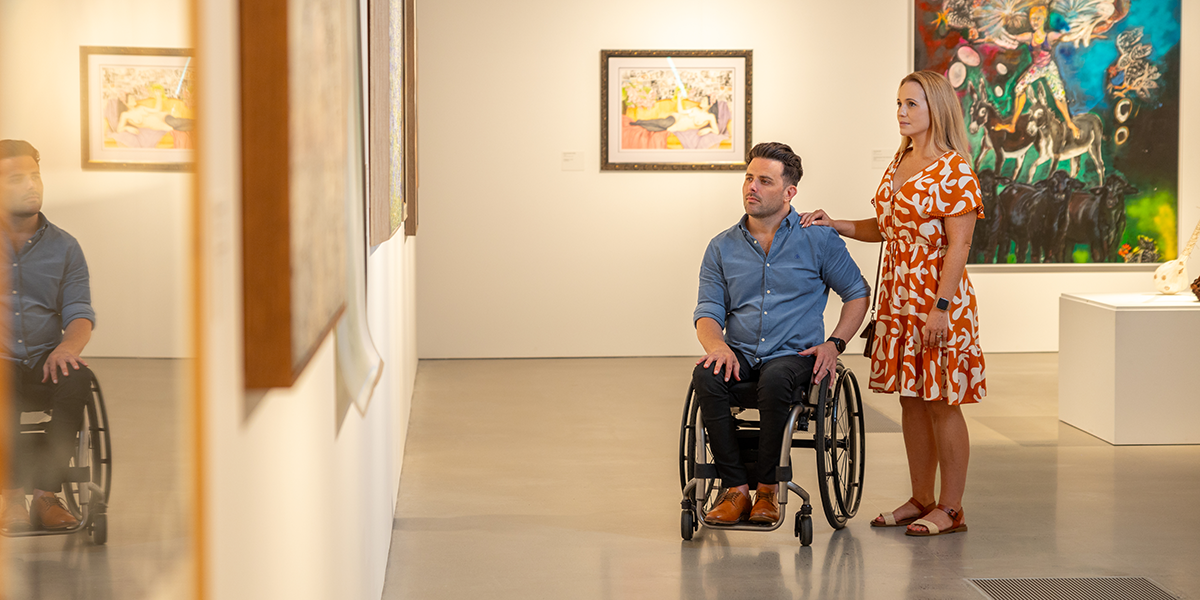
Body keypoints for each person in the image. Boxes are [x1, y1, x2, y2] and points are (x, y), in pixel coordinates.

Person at [800, 71, 986, 536]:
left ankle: (951, 508)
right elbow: (888, 226)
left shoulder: (954, 170)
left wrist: (940, 307)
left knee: (943, 400)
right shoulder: (901, 159)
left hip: (936, 302)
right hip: (898, 302)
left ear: (936, 110)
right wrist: (837, 223)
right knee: (911, 400)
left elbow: (959, 246)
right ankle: (921, 498)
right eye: (898, 104)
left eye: (911, 105)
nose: (901, 113)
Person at [693, 141, 869, 525]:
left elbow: (857, 293)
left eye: (764, 181)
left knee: (775, 380)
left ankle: (770, 490)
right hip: (740, 351)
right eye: (749, 178)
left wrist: (835, 344)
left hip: (795, 356)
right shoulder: (721, 247)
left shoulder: (818, 239)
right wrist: (717, 347)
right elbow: (707, 311)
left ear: (790, 192)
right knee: (706, 374)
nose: (751, 188)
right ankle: (736, 489)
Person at [0, 140, 97, 533]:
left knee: (79, 378)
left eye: (35, 175)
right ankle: (10, 498)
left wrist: (68, 347)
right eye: (16, 178)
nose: (30, 185)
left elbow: (79, 311)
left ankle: (46, 496)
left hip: (44, 358)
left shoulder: (65, 247)